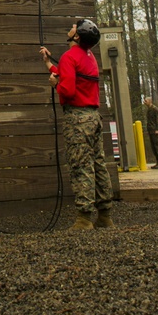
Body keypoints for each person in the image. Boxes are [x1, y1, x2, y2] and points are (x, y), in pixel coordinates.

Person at [40, 19, 113, 230]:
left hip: (78, 119)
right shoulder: (89, 57)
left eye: (74, 26)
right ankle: (105, 215)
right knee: (99, 164)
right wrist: (48, 63)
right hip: (94, 118)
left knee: (81, 166)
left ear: (77, 36)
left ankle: (84, 219)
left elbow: (69, 90)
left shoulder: (70, 56)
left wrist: (56, 85)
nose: (71, 26)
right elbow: (69, 73)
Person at [143, 96, 158, 168]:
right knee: (154, 147)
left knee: (157, 146)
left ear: (149, 101)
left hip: (155, 131)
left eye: (146, 101)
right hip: (151, 131)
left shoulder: (154, 109)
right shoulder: (149, 110)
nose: (144, 102)